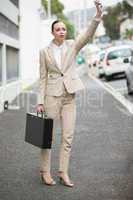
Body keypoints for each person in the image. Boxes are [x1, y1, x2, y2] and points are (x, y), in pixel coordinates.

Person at [37, 0, 102, 187]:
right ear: (52, 32)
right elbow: (42, 78)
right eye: (58, 29)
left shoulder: (73, 45)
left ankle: (63, 172)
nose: (62, 31)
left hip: (69, 97)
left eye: (64, 29)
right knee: (46, 136)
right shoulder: (44, 52)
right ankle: (45, 172)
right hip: (51, 97)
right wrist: (40, 101)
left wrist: (97, 16)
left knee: (68, 136)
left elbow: (87, 36)